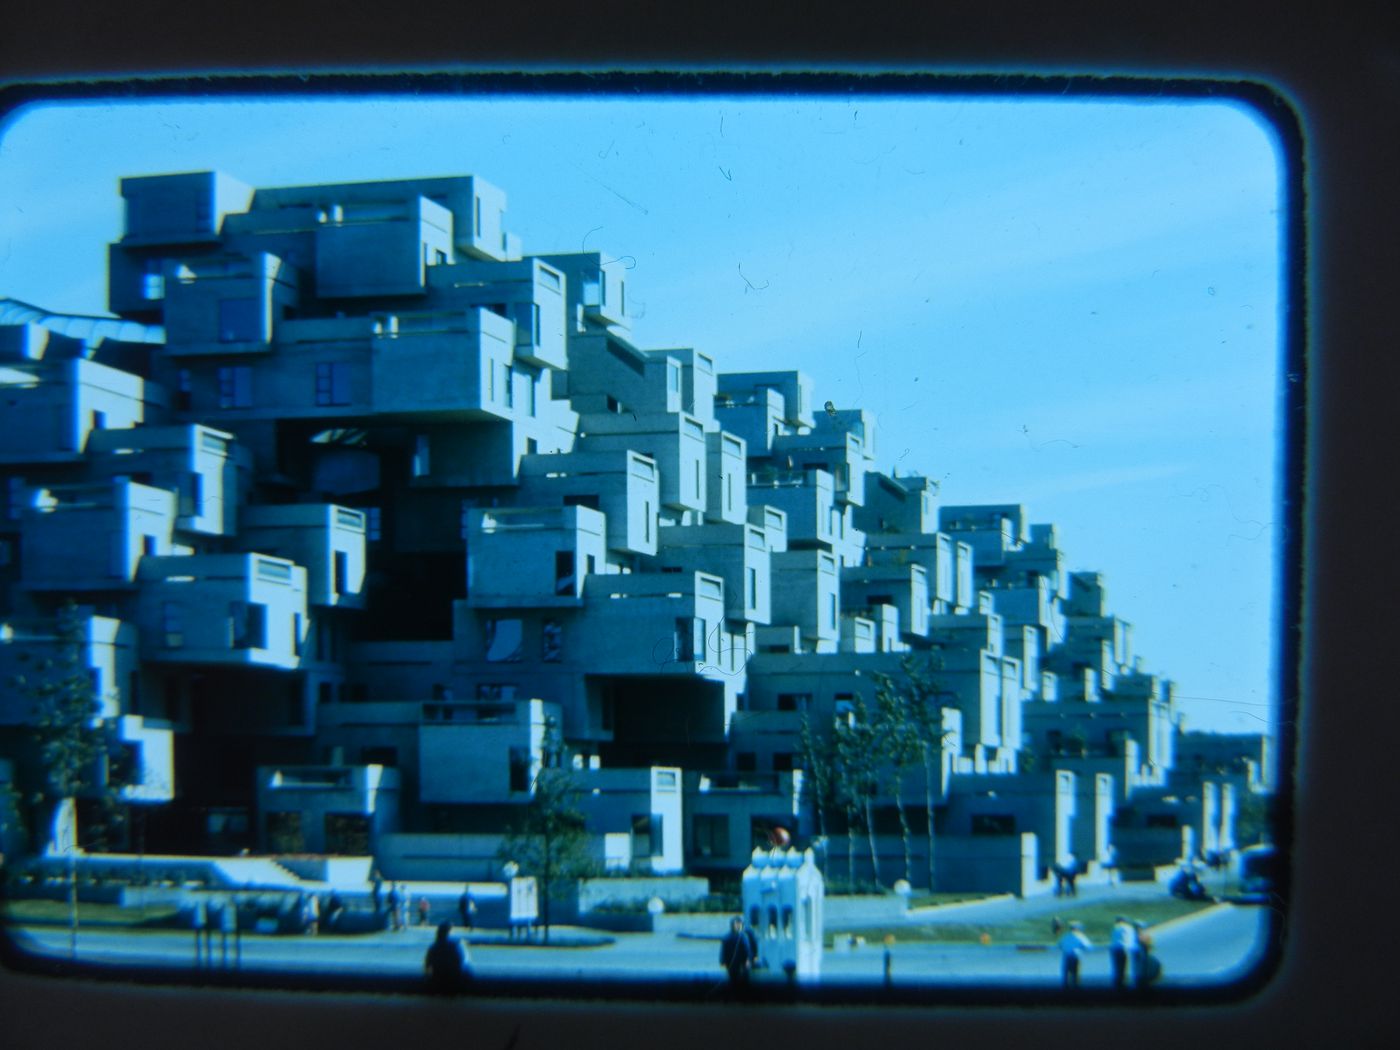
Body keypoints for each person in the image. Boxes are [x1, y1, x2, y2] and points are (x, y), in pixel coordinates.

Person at [423, 921, 471, 995]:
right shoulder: (457, 944)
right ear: (449, 931)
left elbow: (427, 965)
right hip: (455, 979)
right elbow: (463, 962)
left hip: (438, 978)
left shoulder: (434, 946)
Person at [719, 916, 755, 989]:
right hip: (733, 963)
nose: (737, 926)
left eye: (738, 924)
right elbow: (723, 951)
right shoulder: (728, 938)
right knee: (736, 979)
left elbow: (747, 950)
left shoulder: (741, 937)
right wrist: (722, 961)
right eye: (736, 924)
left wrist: (748, 960)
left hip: (738, 963)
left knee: (740, 979)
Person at [1057, 920, 1092, 988]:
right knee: (1076, 975)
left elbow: (1060, 945)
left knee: (1066, 975)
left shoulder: (1066, 936)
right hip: (1076, 956)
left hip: (1067, 956)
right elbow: (1088, 946)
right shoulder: (1080, 936)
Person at [1109, 916, 1138, 989]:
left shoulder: (1115, 928)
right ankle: (1122, 982)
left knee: (1116, 966)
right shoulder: (1128, 928)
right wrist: (1133, 949)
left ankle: (1117, 981)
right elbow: (1130, 939)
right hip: (1123, 948)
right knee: (1123, 965)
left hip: (1114, 948)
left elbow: (1113, 939)